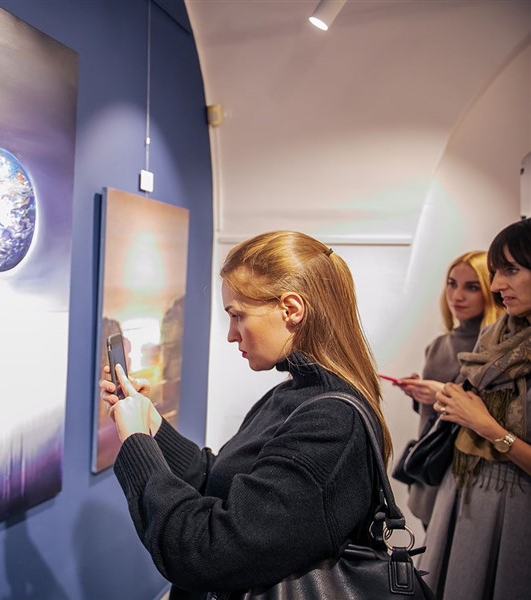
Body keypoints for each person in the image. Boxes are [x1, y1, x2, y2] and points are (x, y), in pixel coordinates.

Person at [99, 231, 393, 598]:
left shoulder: (332, 423)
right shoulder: (293, 395)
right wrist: (152, 426)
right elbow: (222, 481)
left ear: (292, 310)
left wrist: (136, 443)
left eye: (238, 316)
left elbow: (206, 552)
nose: (231, 335)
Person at [417, 219, 531, 599]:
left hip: (516, 509)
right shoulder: (493, 336)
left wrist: (487, 426)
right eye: (496, 272)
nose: (497, 285)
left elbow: (483, 422)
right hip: (461, 493)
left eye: (511, 270)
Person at [394, 251, 502, 528]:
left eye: (472, 287)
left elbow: (496, 414)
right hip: (431, 469)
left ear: (491, 290)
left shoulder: (497, 349)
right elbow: (431, 416)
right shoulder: (439, 345)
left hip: (466, 475)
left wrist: (441, 392)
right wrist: (418, 393)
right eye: (452, 284)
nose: (457, 296)